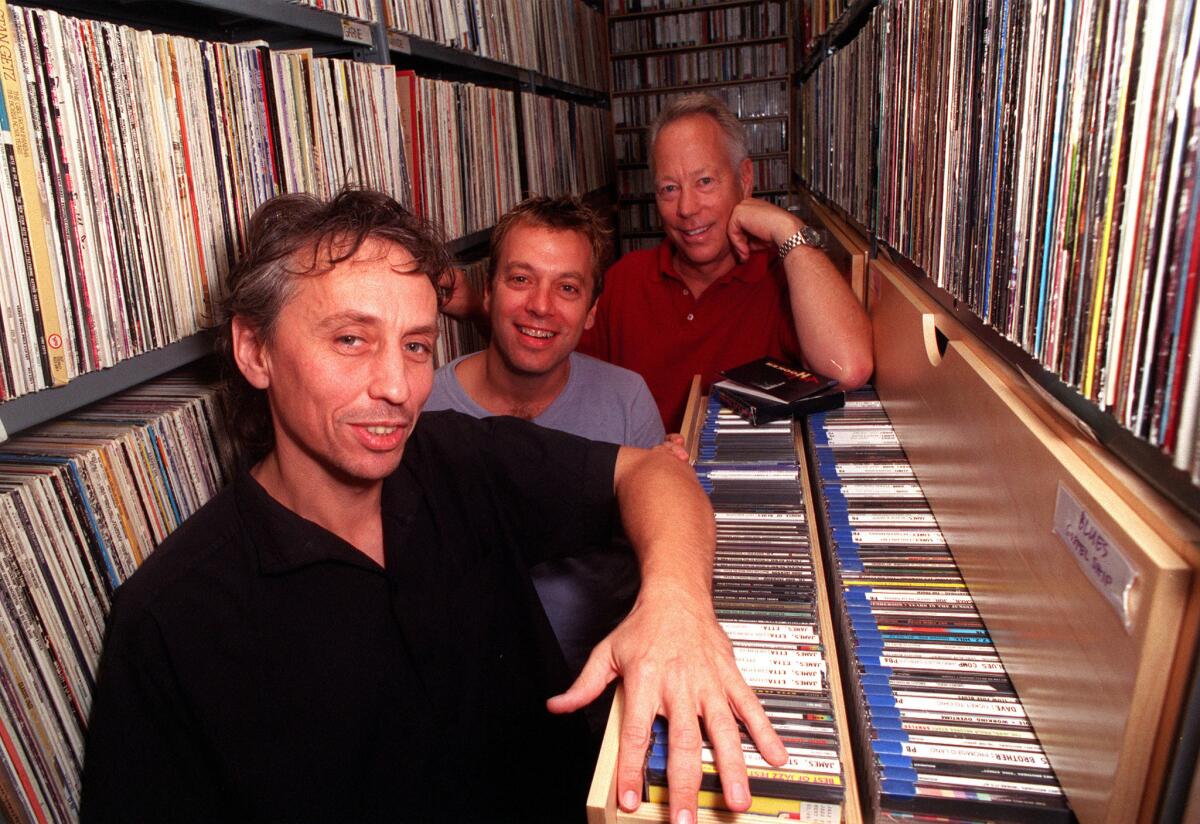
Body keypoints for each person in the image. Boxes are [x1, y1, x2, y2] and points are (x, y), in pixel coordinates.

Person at [80, 189, 785, 824]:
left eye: (416, 345)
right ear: (254, 350)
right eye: (351, 339)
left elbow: (657, 478)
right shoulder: (169, 624)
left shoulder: (457, 457)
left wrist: (675, 605)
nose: (397, 385)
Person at [426, 195, 662, 683]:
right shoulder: (424, 406)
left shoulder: (627, 398)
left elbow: (658, 542)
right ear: (487, 293)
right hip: (471, 682)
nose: (540, 305)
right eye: (520, 278)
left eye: (568, 288)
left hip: (606, 681)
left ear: (592, 312)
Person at [579, 93, 874, 430]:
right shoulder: (624, 280)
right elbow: (571, 394)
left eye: (704, 182)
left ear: (744, 179)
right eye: (669, 189)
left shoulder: (785, 280)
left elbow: (849, 369)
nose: (687, 208)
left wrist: (787, 229)